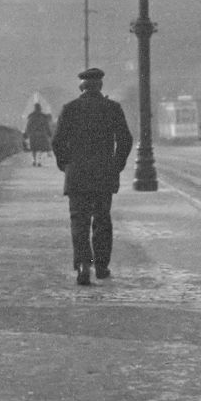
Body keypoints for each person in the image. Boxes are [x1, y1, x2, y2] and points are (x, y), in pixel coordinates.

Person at [51, 67, 133, 286]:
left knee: (79, 220)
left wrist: (65, 163)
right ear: (100, 86)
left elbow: (57, 141)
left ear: (82, 86)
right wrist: (116, 164)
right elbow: (125, 139)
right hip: (104, 173)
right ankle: (102, 266)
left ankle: (82, 265)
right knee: (102, 219)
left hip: (77, 173)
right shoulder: (112, 108)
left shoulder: (70, 109)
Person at [23, 102, 53, 167]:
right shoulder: (43, 116)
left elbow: (28, 126)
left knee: (34, 149)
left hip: (33, 135)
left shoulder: (31, 116)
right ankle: (39, 161)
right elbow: (47, 126)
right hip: (41, 134)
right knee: (41, 149)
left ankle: (34, 161)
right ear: (40, 108)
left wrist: (26, 134)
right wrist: (49, 133)